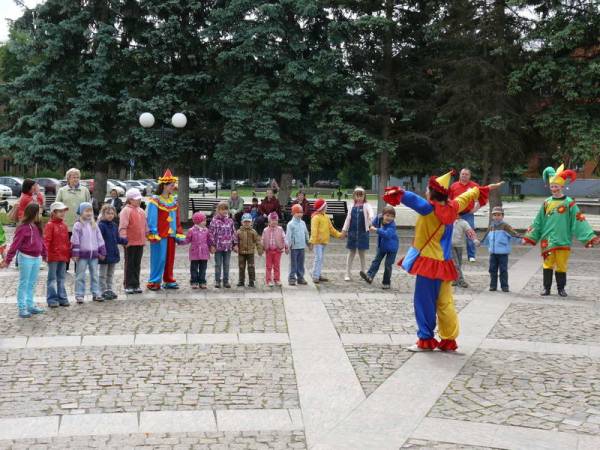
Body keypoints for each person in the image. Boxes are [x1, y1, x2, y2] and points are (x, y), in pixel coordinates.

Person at [383, 171, 502, 352]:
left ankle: (425, 340)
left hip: (429, 264)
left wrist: (397, 191)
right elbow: (467, 195)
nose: (425, 191)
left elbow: (411, 198)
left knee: (424, 302)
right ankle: (448, 340)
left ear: (432, 192)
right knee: (445, 303)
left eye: (428, 189)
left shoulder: (428, 208)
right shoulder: (453, 206)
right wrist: (484, 188)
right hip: (445, 264)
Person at [523, 164, 599, 296]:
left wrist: (590, 237)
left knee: (561, 265)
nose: (554, 189)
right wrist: (529, 236)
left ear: (562, 186)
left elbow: (579, 220)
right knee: (547, 264)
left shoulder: (569, 203)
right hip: (548, 240)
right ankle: (546, 288)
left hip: (563, 239)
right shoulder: (546, 202)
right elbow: (538, 221)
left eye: (556, 186)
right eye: (552, 186)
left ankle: (561, 289)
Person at [1, 203, 47, 317]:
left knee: (32, 283)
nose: (41, 215)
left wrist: (45, 255)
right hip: (26, 258)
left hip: (37, 258)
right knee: (24, 283)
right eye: (39, 213)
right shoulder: (23, 228)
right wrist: (8, 260)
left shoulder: (37, 226)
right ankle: (22, 308)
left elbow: (41, 242)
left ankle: (30, 305)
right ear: (33, 213)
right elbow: (15, 245)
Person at [146, 169, 185, 291]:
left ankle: (168, 280)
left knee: (169, 258)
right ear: (164, 185)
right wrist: (153, 231)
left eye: (174, 185)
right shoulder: (155, 200)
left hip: (171, 234)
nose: (174, 187)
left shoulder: (173, 201)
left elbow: (176, 218)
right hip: (160, 234)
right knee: (159, 258)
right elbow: (152, 217)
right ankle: (154, 281)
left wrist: (178, 231)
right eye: (171, 185)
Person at [56, 168, 91, 271]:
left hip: (81, 224)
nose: (76, 179)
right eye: (73, 177)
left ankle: (78, 268)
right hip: (65, 224)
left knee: (79, 247)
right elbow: (57, 206)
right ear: (68, 178)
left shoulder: (85, 190)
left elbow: (89, 206)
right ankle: (64, 267)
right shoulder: (62, 190)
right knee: (65, 247)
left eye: (77, 177)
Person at [71, 202, 106, 303]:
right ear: (81, 212)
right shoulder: (78, 225)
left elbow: (100, 238)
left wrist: (102, 251)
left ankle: (96, 293)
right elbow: (75, 240)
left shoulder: (94, 224)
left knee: (94, 275)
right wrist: (75, 253)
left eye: (90, 211)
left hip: (94, 255)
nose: (89, 213)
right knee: (80, 275)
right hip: (82, 256)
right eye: (86, 211)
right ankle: (79, 295)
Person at [481, 206, 521, 292]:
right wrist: (480, 243)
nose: (497, 217)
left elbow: (514, 234)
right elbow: (487, 237)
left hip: (503, 253)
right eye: (495, 215)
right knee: (492, 270)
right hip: (493, 253)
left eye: (499, 215)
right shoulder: (491, 226)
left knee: (503, 270)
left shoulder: (505, 226)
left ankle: (504, 286)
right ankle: (493, 286)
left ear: (502, 216)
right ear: (492, 216)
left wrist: (522, 239)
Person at [449, 168, 485, 262]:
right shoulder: (453, 186)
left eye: (466, 174)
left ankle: (471, 255)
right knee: (453, 234)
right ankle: (451, 254)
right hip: (455, 214)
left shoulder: (474, 186)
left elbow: (482, 198)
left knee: (470, 234)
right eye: (463, 174)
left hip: (468, 214)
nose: (464, 176)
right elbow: (449, 200)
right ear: (460, 175)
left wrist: (475, 208)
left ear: (470, 176)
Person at [361, 206, 399, 289]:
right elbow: (372, 224)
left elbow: (387, 235)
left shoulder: (392, 226)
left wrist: (376, 230)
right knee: (376, 261)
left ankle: (386, 282)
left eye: (392, 216)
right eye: (387, 215)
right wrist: (370, 225)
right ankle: (369, 276)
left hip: (392, 248)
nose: (389, 218)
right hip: (382, 246)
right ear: (383, 215)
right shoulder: (379, 218)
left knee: (388, 265)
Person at [342, 187, 374, 281]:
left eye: (361, 195)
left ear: (364, 196)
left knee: (362, 254)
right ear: (354, 196)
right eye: (357, 195)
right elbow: (348, 219)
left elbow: (371, 213)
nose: (359, 197)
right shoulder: (351, 206)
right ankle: (347, 273)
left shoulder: (367, 205)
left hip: (363, 233)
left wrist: (371, 218)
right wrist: (344, 230)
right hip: (352, 233)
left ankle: (363, 273)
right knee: (351, 252)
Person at [119, 188, 147, 294]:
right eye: (136, 199)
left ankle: (136, 284)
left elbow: (145, 225)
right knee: (129, 264)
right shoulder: (126, 211)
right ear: (130, 200)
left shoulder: (141, 211)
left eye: (139, 199)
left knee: (137, 264)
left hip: (140, 242)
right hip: (130, 242)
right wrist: (124, 239)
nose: (139, 200)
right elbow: (123, 227)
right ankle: (128, 285)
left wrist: (148, 234)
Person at [44, 202, 71, 307]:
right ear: (53, 213)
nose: (62, 213)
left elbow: (66, 242)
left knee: (61, 278)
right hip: (53, 256)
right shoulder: (50, 225)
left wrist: (69, 253)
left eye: (63, 211)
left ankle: (62, 297)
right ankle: (51, 299)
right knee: (52, 278)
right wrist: (45, 253)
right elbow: (47, 240)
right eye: (60, 211)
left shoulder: (64, 225)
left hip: (63, 256)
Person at [98, 204, 128, 300]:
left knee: (110, 274)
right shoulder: (101, 226)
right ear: (103, 214)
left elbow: (117, 238)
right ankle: (103, 290)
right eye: (108, 213)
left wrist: (125, 241)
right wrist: (100, 252)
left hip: (113, 253)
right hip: (104, 254)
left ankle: (109, 289)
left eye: (112, 213)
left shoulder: (114, 225)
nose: (110, 215)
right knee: (102, 274)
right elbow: (98, 240)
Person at [309, 198, 343, 284]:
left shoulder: (326, 217)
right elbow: (314, 231)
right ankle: (315, 276)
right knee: (318, 258)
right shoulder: (315, 218)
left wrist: (339, 235)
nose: (327, 207)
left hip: (323, 242)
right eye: (325, 205)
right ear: (322, 207)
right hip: (317, 242)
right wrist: (312, 242)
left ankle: (318, 274)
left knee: (320, 259)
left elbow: (331, 229)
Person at [208, 202, 237, 288]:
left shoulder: (230, 221)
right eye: (222, 209)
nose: (224, 211)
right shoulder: (214, 221)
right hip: (218, 247)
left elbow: (233, 233)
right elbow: (211, 234)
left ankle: (226, 281)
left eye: (226, 209)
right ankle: (217, 281)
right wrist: (212, 245)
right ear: (218, 210)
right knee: (218, 264)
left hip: (227, 247)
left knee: (226, 264)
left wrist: (235, 244)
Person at [180, 212, 210, 289]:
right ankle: (194, 281)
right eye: (203, 220)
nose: (205, 222)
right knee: (194, 268)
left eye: (205, 220)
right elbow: (187, 239)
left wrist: (212, 247)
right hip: (194, 252)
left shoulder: (206, 230)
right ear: (198, 221)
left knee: (203, 268)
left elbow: (209, 240)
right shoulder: (191, 230)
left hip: (204, 252)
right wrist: (180, 241)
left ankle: (202, 281)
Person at [451, 217, 480, 288]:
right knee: (456, 264)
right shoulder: (448, 221)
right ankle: (461, 281)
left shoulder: (463, 222)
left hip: (459, 245)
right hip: (449, 246)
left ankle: (455, 279)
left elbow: (470, 232)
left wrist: (474, 240)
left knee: (458, 264)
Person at [286, 204, 311, 286]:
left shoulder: (303, 223)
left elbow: (306, 233)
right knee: (293, 264)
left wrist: (308, 242)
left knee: (301, 263)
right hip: (294, 247)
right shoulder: (290, 224)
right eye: (298, 212)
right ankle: (291, 278)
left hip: (302, 247)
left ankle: (300, 277)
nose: (300, 214)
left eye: (301, 212)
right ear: (293, 213)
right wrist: (287, 246)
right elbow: (288, 236)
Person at [236, 213, 263, 287]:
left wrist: (260, 249)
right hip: (241, 252)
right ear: (242, 222)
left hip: (250, 253)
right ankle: (241, 280)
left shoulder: (253, 232)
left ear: (251, 222)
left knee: (251, 267)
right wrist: (235, 247)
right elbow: (235, 241)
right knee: (241, 267)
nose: (246, 223)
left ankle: (252, 281)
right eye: (245, 222)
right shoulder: (239, 232)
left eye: (248, 222)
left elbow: (257, 241)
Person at [262, 212, 287, 286]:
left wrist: (286, 246)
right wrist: (262, 247)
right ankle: (268, 280)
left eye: (276, 220)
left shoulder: (280, 229)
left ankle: (277, 279)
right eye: (272, 220)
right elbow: (262, 239)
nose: (274, 222)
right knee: (268, 266)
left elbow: (284, 238)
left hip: (277, 250)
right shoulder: (265, 230)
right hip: (269, 251)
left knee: (277, 266)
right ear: (269, 221)